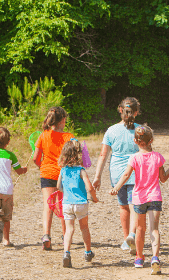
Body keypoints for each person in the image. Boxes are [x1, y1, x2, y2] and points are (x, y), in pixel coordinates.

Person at [110, 125, 169, 274]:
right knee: (154, 229)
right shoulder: (158, 157)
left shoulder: (134, 158)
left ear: (135, 141)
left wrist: (117, 187)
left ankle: (140, 258)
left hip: (139, 199)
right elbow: (163, 179)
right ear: (151, 140)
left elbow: (126, 175)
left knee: (140, 229)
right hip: (155, 197)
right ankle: (155, 258)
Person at [92, 97, 141, 253]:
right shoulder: (141, 130)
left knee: (123, 207)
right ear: (136, 112)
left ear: (120, 110)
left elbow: (103, 155)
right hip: (135, 172)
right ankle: (132, 235)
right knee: (134, 207)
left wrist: (97, 176)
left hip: (117, 174)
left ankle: (127, 239)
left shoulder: (111, 130)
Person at [33, 106, 75, 250]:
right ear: (63, 120)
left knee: (48, 204)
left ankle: (46, 235)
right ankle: (65, 236)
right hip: (64, 175)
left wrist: (42, 166)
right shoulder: (69, 137)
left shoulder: (43, 135)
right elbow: (75, 157)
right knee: (62, 204)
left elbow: (35, 158)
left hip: (47, 173)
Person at [56, 139, 99, 268]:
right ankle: (87, 252)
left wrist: (67, 193)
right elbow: (89, 187)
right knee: (84, 227)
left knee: (69, 229)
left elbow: (58, 186)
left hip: (67, 203)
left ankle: (66, 253)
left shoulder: (63, 170)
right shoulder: (81, 170)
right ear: (79, 154)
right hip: (80, 203)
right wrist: (94, 197)